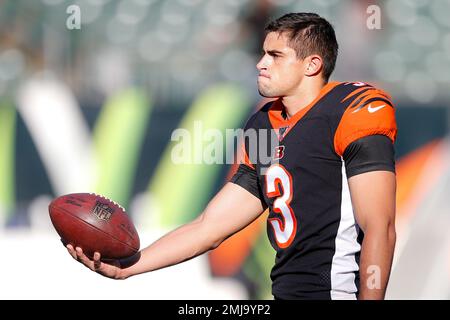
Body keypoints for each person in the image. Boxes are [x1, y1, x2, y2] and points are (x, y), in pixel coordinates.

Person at [67, 12, 397, 300]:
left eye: (275, 55)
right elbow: (209, 228)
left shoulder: (353, 110)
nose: (261, 63)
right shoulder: (265, 124)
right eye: (262, 53)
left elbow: (379, 226)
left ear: (312, 65)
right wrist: (129, 267)